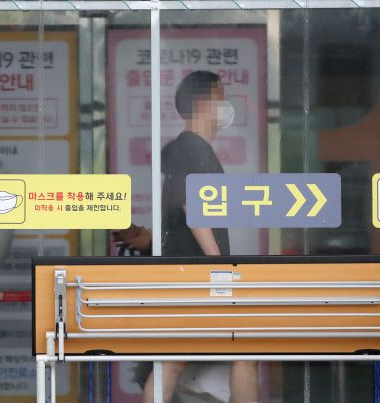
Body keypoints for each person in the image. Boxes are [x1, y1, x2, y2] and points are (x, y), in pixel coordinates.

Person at [140, 71, 258, 403]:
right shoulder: (191, 148)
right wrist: (219, 266)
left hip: (190, 272)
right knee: (242, 349)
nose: (226, 106)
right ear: (204, 102)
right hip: (198, 273)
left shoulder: (191, 149)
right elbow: (192, 206)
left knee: (176, 359)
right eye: (222, 97)